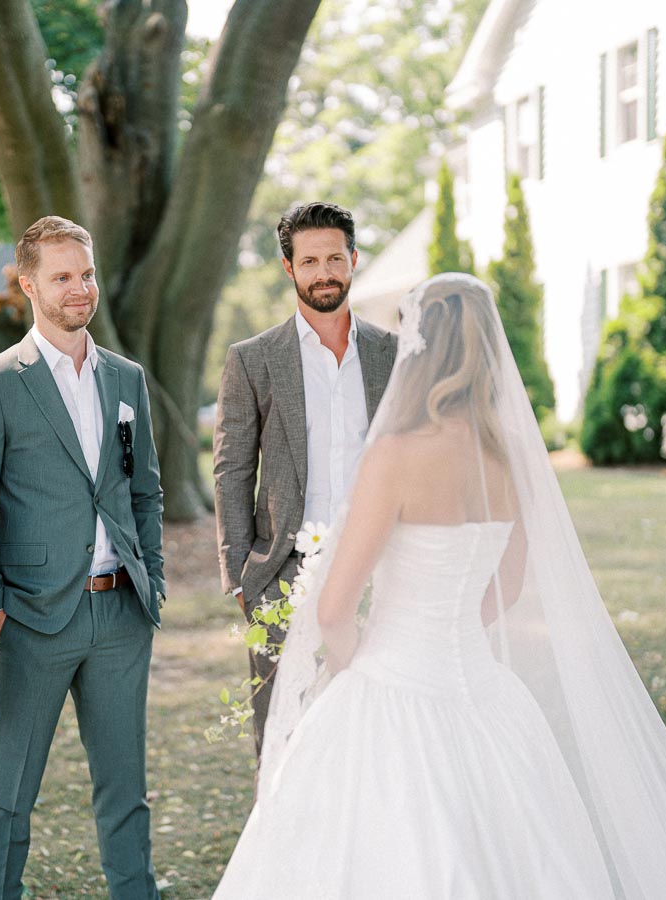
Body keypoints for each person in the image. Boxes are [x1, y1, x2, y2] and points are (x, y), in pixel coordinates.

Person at [213, 273, 666, 898]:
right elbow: (505, 591)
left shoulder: (396, 454)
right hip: (483, 686)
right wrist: (442, 631)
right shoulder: (510, 455)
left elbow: (334, 606)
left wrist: (358, 665)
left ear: (420, 349)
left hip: (390, 681)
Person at [0, 216, 165, 900]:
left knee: (126, 794)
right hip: (33, 621)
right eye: (63, 276)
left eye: (87, 274)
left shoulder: (126, 379)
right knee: (7, 798)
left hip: (120, 616)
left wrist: (149, 581)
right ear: (28, 284)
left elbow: (146, 490)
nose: (80, 289)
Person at [213, 201, 397, 756]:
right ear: (289, 268)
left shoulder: (393, 354)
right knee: (284, 738)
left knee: (377, 730)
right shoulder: (254, 359)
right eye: (310, 261)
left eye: (334, 258)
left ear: (353, 260)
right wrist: (243, 577)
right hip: (283, 574)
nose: (324, 272)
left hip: (384, 571)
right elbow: (232, 468)